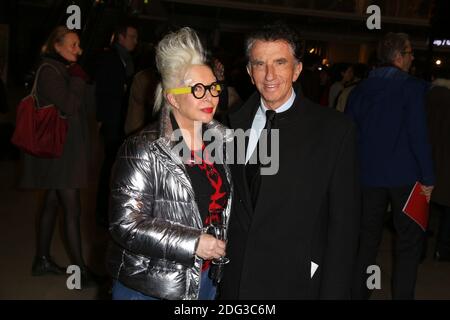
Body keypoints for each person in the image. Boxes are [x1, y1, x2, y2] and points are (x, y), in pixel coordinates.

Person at [219, 22, 360, 300]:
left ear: (296, 69)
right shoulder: (229, 125)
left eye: (280, 63)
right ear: (249, 71)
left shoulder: (334, 131)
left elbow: (345, 226)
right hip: (238, 280)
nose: (269, 74)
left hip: (297, 282)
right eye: (260, 64)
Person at [107, 27, 234, 300]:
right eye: (198, 89)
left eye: (213, 87)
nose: (210, 96)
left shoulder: (222, 140)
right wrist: (194, 243)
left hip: (205, 279)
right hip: (152, 286)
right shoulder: (142, 148)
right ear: (173, 97)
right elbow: (125, 225)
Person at [346, 32, 435, 300]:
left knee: (366, 240)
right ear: (398, 56)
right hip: (408, 178)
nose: (412, 58)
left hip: (367, 177)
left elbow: (350, 135)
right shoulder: (413, 88)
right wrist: (428, 178)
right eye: (409, 53)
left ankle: (358, 294)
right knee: (409, 243)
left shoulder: (359, 90)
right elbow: (418, 135)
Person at [19, 26, 97, 287]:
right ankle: (82, 272)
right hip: (60, 155)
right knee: (72, 210)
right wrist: (76, 78)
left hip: (62, 153)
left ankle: (41, 259)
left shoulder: (60, 70)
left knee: (52, 204)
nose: (79, 50)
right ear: (57, 46)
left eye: (79, 45)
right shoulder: (51, 72)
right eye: (73, 45)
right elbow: (70, 105)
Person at [95, 22, 138, 227]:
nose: (135, 41)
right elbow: (104, 91)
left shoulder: (127, 59)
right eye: (132, 37)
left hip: (121, 118)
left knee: (115, 164)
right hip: (113, 118)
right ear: (120, 37)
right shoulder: (110, 58)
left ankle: (108, 210)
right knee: (110, 165)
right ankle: (103, 211)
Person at [426, 67, 450, 262]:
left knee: (422, 207)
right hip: (446, 162)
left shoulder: (423, 97)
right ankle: (442, 249)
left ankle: (419, 250)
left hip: (424, 160)